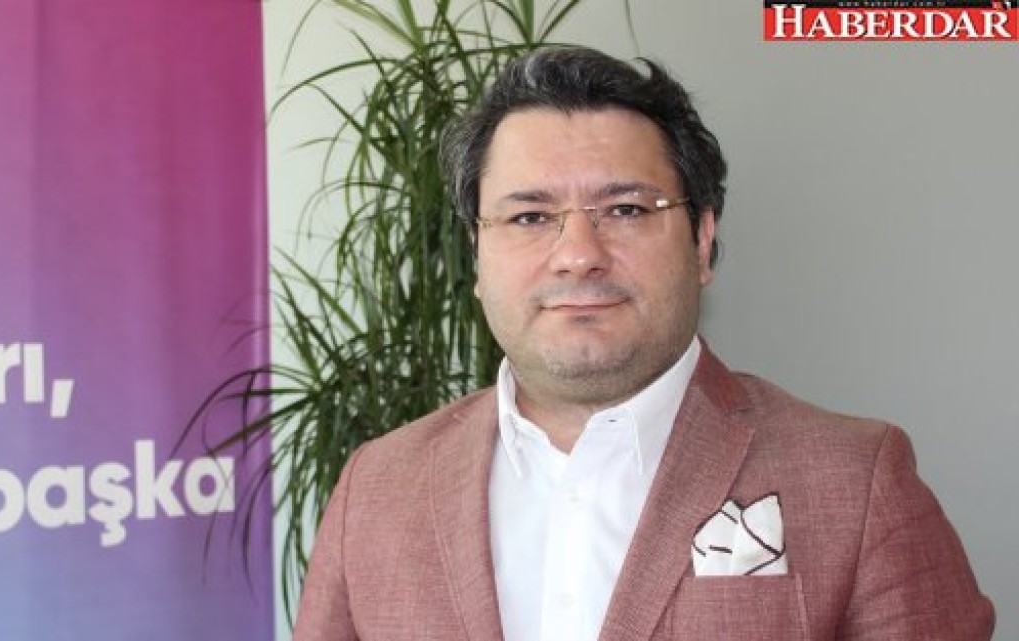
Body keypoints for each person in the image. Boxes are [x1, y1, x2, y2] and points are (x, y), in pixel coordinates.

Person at [292, 46, 994, 640]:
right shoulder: (375, 489)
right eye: (530, 216)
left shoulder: (856, 480)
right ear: (477, 253)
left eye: (626, 209)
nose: (578, 254)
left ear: (702, 241)